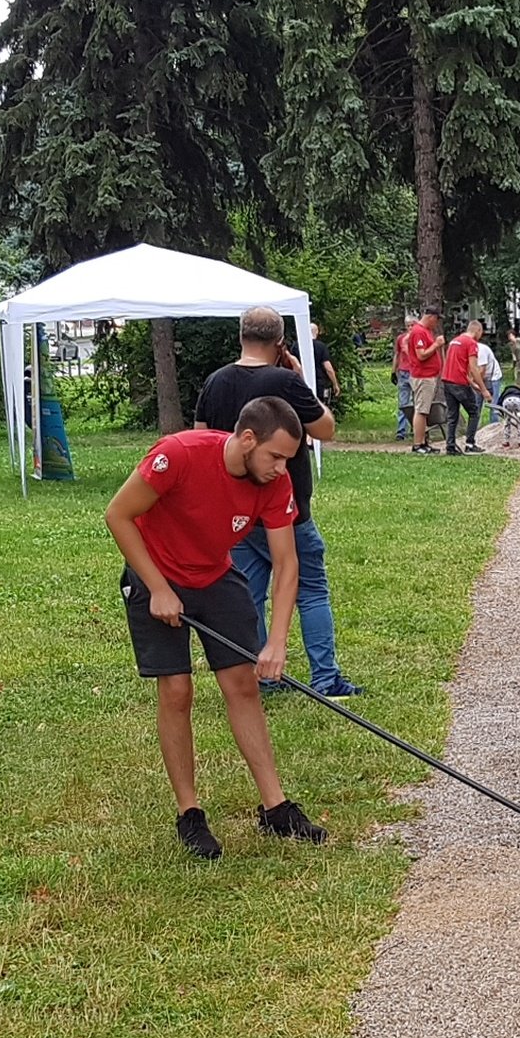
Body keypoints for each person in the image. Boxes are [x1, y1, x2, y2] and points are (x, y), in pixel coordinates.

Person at [104, 395, 328, 860]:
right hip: (155, 572)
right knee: (177, 690)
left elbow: (287, 564)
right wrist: (158, 588)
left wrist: (277, 641)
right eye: (275, 456)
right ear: (247, 439)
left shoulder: (274, 482)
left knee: (242, 683)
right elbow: (118, 516)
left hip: (214, 574)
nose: (282, 469)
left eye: (288, 459)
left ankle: (275, 808)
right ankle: (189, 814)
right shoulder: (180, 455)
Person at [196, 307, 361, 701]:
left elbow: (203, 437)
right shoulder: (284, 381)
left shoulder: (215, 381)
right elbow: (326, 429)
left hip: (238, 512)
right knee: (311, 588)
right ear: (280, 342)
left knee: (249, 594)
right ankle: (325, 678)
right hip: (288, 509)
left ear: (241, 336)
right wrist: (301, 380)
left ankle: (264, 676)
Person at [440, 320, 489, 455]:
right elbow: (473, 368)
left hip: (447, 381)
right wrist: (483, 389)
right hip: (459, 384)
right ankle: (470, 443)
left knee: (452, 415)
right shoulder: (471, 343)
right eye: (481, 333)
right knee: (474, 412)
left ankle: (450, 445)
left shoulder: (454, 342)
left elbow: (457, 366)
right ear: (478, 330)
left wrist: (472, 384)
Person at [403, 307, 446, 456]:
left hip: (429, 376)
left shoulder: (426, 331)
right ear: (431, 317)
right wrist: (436, 345)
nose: (437, 323)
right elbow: (421, 355)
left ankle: (424, 442)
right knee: (421, 410)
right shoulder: (419, 331)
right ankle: (418, 444)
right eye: (437, 319)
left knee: (424, 410)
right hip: (423, 376)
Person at [390, 321, 414, 442]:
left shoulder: (417, 339)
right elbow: (397, 354)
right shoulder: (401, 338)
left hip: (415, 372)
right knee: (403, 402)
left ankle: (416, 428)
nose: (410, 328)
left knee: (417, 402)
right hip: (403, 372)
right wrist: (393, 371)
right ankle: (401, 430)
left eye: (412, 325)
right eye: (408, 326)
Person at [310, 321, 343, 404]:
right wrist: (335, 383)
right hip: (319, 384)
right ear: (317, 332)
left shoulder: (296, 346)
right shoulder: (321, 346)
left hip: (301, 383)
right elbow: (328, 368)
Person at [476, 324, 504, 421]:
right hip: (479, 378)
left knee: (494, 404)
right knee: (476, 404)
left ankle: (494, 425)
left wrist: (478, 386)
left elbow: (481, 370)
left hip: (493, 377)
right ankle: (474, 427)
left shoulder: (481, 350)